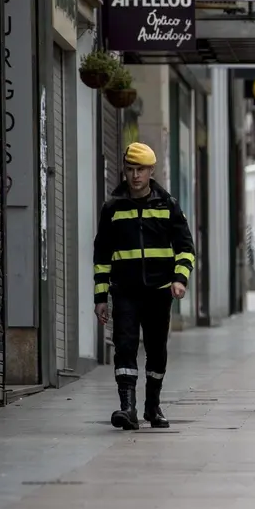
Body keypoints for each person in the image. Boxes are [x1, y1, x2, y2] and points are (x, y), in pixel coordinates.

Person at [92, 142, 195, 431]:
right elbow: (102, 255)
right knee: (124, 346)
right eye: (130, 169)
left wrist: (179, 279)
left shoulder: (168, 205)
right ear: (124, 171)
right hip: (124, 290)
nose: (135, 176)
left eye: (141, 170)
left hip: (159, 290)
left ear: (152, 171)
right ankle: (128, 408)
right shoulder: (113, 208)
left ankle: (153, 405)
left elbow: (186, 248)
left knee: (156, 349)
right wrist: (100, 297)